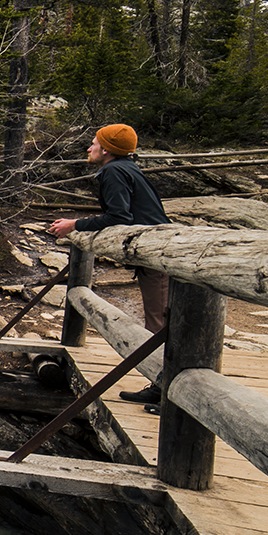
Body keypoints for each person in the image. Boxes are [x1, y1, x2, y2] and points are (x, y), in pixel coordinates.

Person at [48, 122, 170, 405]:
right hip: (156, 250)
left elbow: (119, 217)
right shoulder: (126, 169)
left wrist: (74, 225)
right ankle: (161, 386)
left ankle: (163, 391)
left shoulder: (114, 171)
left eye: (93, 143)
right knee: (161, 320)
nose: (89, 148)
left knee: (159, 323)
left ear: (106, 149)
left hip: (157, 256)